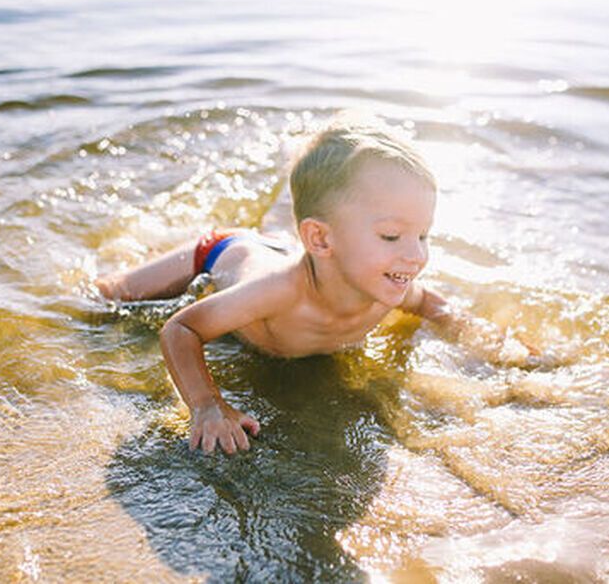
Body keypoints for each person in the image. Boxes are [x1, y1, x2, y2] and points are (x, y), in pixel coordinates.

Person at [97, 114, 537, 455]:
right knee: (107, 298)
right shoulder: (278, 293)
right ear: (322, 238)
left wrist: (487, 341)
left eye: (423, 235)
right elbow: (182, 329)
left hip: (293, 247)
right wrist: (208, 405)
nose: (417, 255)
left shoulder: (388, 283)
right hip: (220, 253)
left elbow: (432, 305)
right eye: (391, 236)